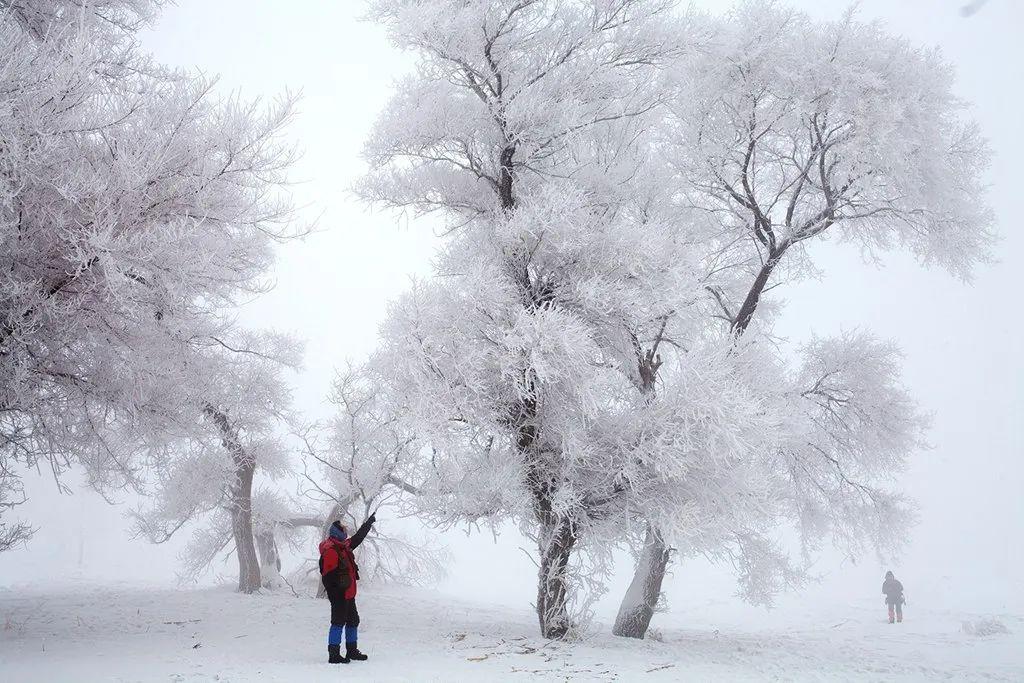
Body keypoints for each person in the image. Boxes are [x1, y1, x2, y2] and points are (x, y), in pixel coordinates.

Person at [319, 514, 376, 664]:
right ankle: (334, 654)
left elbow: (357, 538)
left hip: (349, 593)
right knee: (338, 622)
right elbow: (327, 577)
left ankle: (351, 651)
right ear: (338, 533)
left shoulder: (343, 546)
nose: (346, 530)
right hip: (340, 595)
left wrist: (368, 523)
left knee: (353, 621)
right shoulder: (332, 550)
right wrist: (335, 594)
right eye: (343, 529)